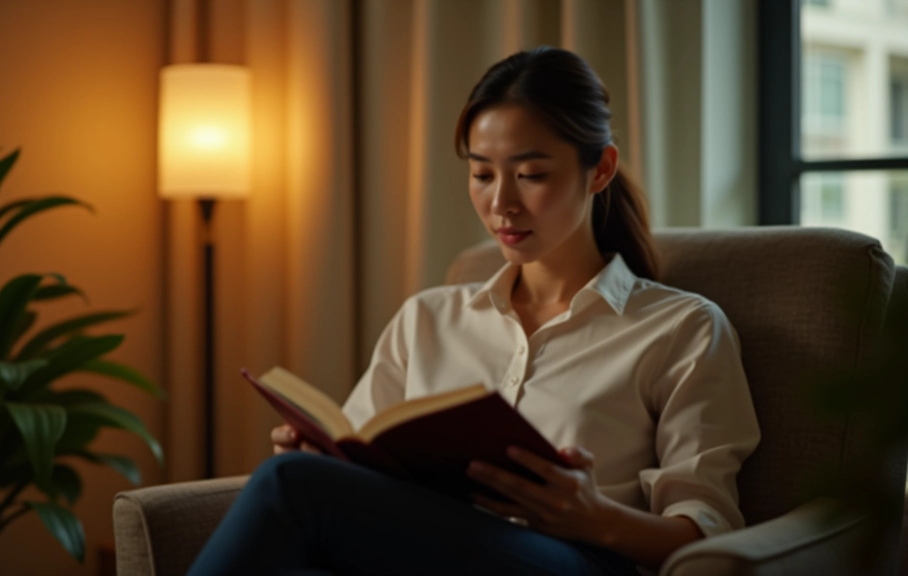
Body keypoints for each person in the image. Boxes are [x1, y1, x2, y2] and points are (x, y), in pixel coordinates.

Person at [187, 46, 760, 576]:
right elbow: (365, 470)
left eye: (532, 175)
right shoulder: (426, 320)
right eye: (482, 174)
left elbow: (707, 533)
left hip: (578, 560)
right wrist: (327, 458)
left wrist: (592, 516)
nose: (501, 204)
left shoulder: (682, 328)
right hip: (429, 553)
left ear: (601, 169)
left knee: (289, 485)